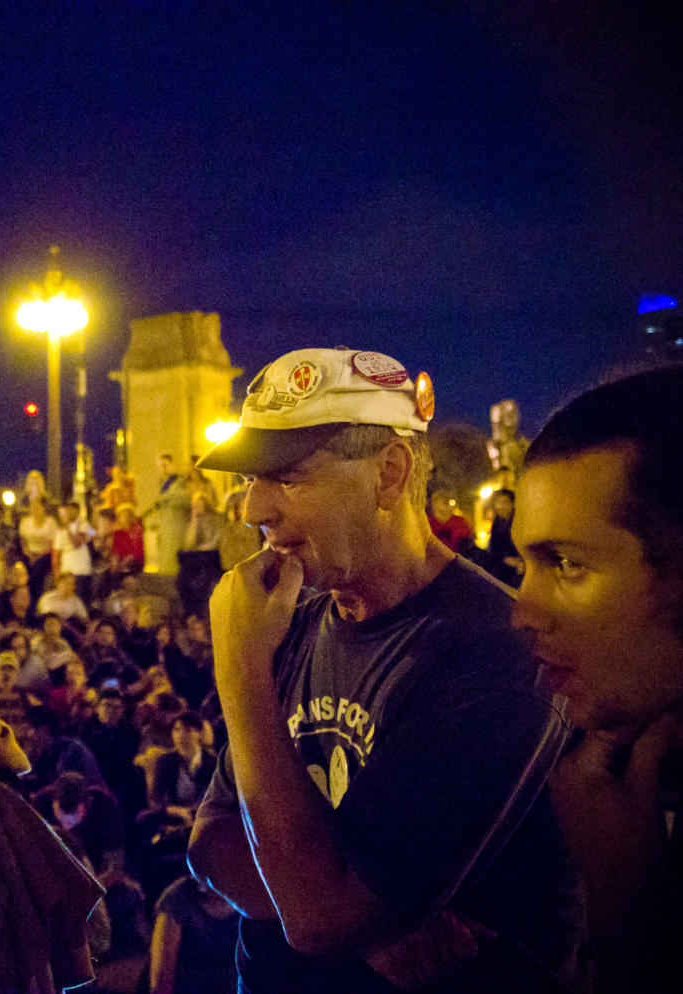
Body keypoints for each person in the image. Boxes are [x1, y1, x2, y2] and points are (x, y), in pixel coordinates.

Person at [187, 347, 581, 992]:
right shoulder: (288, 619)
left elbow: (318, 919)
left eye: (286, 478)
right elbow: (209, 849)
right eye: (248, 481)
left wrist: (239, 668)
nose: (254, 509)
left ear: (390, 474)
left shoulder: (497, 648)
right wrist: (365, 918)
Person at [510, 363, 683, 991]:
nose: (522, 614)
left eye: (566, 563)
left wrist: (626, 912)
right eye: (522, 563)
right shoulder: (624, 783)